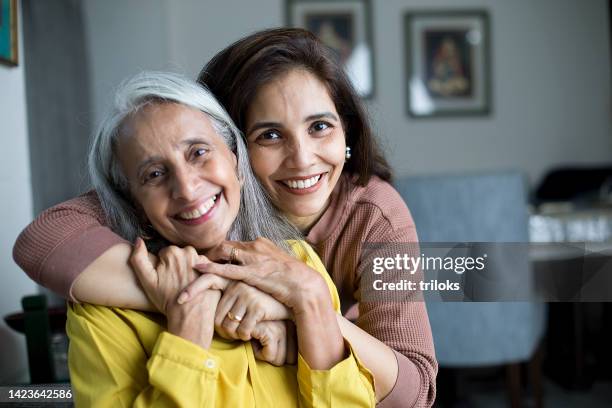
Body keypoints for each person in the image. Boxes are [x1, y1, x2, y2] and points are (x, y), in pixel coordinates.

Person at [14, 29, 436, 407]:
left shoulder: (369, 220)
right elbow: (44, 239)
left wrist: (307, 311)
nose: (303, 159)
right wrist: (203, 297)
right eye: (269, 135)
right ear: (235, 146)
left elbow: (414, 388)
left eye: (320, 126)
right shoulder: (182, 195)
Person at [66, 71, 375, 407]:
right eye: (154, 174)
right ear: (136, 204)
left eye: (198, 153)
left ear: (237, 162)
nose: (186, 188)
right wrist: (188, 331)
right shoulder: (102, 314)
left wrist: (312, 300)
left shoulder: (299, 264)